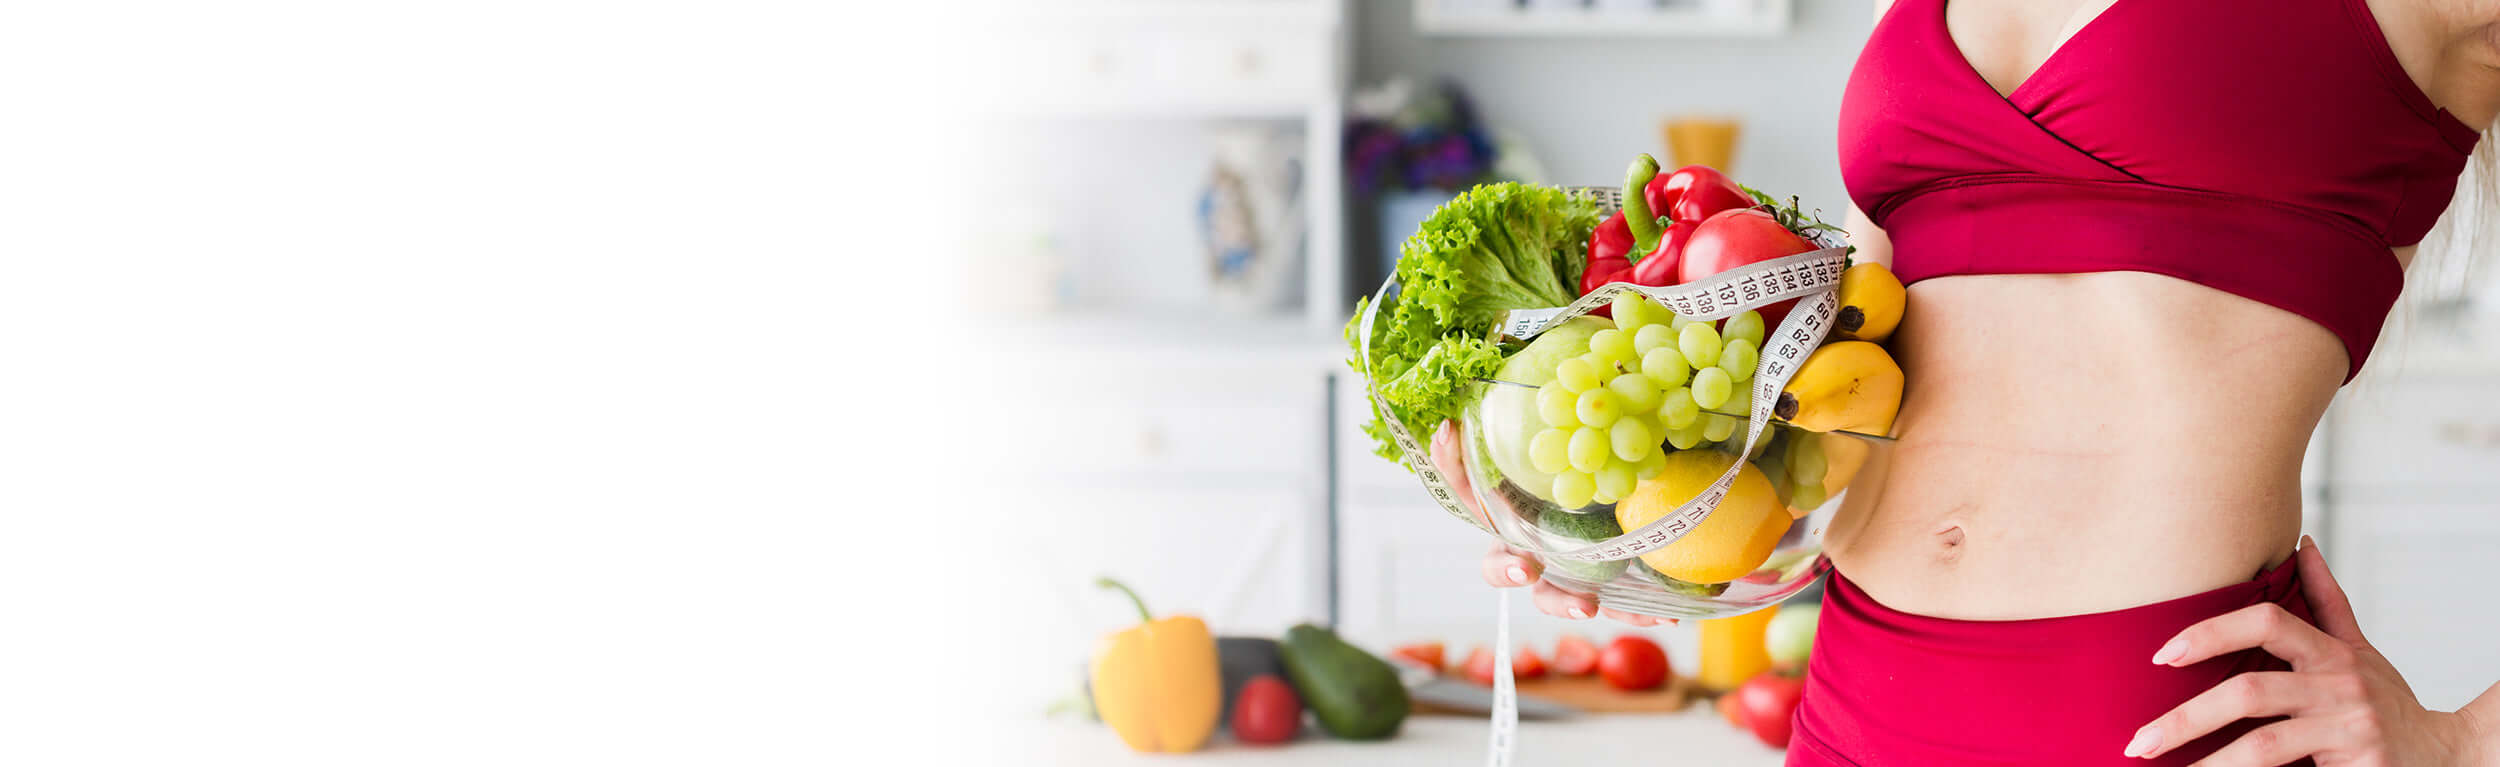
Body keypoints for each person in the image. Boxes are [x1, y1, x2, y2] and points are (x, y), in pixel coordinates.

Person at [1471, 0, 2500, 763]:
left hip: (2166, 722)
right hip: (1849, 703)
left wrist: (2455, 741)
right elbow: (1864, 374)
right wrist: (1628, 524)